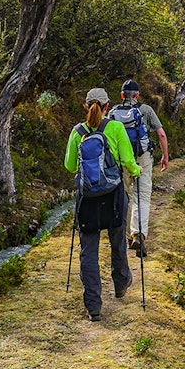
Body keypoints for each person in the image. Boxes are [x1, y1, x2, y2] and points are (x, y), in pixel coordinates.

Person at [64, 87, 140, 322]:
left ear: (86, 106)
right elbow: (128, 160)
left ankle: (93, 306)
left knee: (89, 251)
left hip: (87, 199)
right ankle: (120, 285)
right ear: (108, 106)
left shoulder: (77, 132)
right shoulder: (115, 127)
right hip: (113, 196)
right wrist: (138, 171)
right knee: (117, 242)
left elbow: (70, 166)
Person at [115, 79, 168, 258]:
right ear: (137, 95)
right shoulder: (145, 110)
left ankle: (125, 237)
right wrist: (165, 156)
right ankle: (138, 234)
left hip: (123, 159)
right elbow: (160, 133)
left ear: (122, 95)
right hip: (143, 157)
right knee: (142, 196)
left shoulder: (114, 112)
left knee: (125, 195)